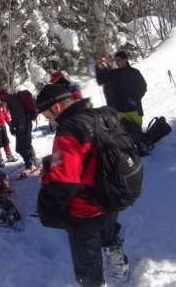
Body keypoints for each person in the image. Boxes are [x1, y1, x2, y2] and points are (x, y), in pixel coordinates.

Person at [35, 84, 129, 286]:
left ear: (57, 107)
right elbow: (91, 152)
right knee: (109, 233)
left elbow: (64, 184)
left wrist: (46, 178)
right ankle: (118, 266)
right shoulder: (99, 114)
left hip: (85, 210)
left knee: (88, 269)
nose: (50, 122)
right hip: (111, 196)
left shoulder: (68, 130)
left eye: (47, 116)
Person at [0, 86, 38, 176]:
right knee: (26, 144)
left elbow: (21, 114)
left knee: (20, 147)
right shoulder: (10, 99)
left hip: (24, 124)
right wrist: (12, 126)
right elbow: (15, 115)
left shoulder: (12, 100)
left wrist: (20, 127)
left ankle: (30, 165)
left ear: (1, 95)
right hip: (24, 123)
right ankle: (34, 160)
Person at [95, 51, 147, 127]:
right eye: (115, 61)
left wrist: (136, 98)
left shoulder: (134, 72)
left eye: (118, 60)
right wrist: (99, 68)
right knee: (126, 134)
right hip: (121, 110)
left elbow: (143, 86)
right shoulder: (114, 73)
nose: (116, 62)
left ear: (124, 60)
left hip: (134, 109)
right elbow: (101, 81)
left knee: (138, 132)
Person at [0, 96, 17, 164]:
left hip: (3, 126)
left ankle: (9, 155)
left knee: (5, 140)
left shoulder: (2, 107)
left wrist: (9, 123)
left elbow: (5, 115)